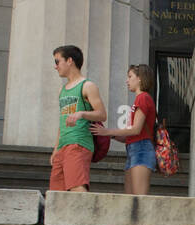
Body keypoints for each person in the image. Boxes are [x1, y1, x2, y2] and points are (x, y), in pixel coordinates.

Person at [48, 45, 106, 193]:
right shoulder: (62, 90)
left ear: (69, 61)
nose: (55, 67)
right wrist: (56, 149)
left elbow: (102, 114)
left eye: (57, 61)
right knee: (57, 192)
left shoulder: (87, 86)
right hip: (63, 145)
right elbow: (62, 122)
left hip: (79, 143)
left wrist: (81, 114)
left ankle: (87, 216)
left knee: (77, 187)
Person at [91, 64, 156, 195]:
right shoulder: (140, 99)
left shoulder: (143, 98)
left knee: (138, 199)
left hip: (141, 149)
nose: (127, 80)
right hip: (134, 149)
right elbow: (132, 135)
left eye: (130, 76)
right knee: (130, 199)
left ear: (140, 79)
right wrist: (109, 135)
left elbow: (135, 130)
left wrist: (108, 132)